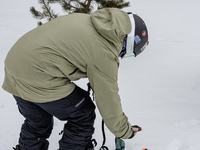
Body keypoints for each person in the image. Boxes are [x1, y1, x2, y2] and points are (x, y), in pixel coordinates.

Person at [2, 8, 149, 150]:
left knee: (38, 121)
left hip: (14, 65)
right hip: (37, 74)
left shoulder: (89, 20)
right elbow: (108, 100)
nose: (121, 56)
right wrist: (124, 131)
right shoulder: (104, 53)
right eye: (128, 53)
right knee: (83, 114)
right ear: (127, 41)